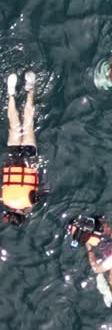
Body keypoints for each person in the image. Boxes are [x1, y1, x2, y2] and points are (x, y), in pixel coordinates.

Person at [2, 72, 46, 225]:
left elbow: (43, 190)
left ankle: (30, 88)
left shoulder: (30, 202)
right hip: (13, 160)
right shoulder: (4, 199)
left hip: (28, 160)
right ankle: (11, 94)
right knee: (14, 124)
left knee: (28, 123)